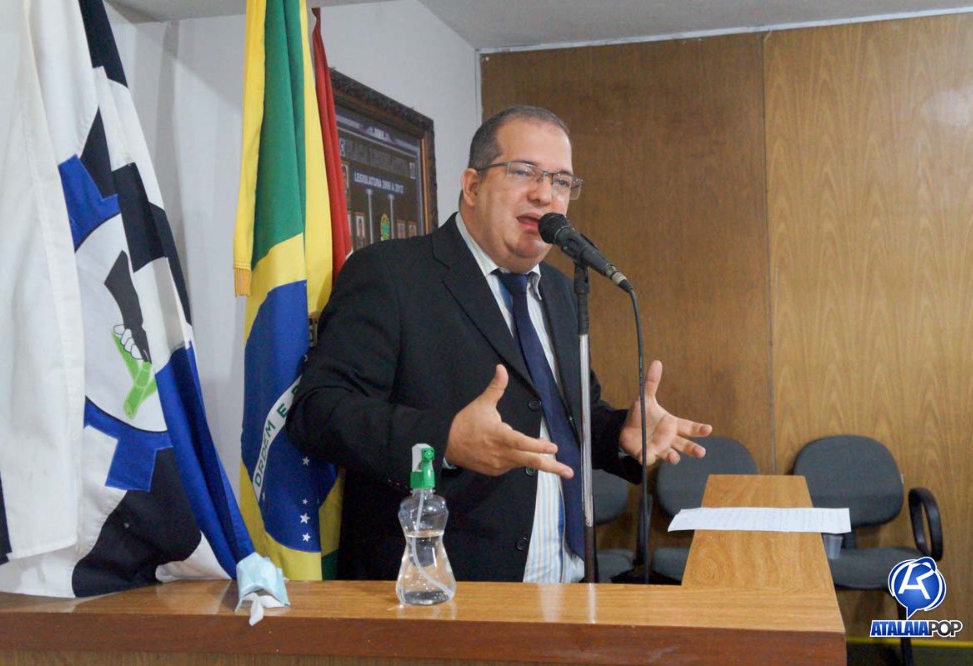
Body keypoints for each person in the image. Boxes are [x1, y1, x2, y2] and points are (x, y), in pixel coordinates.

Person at [287, 106, 711, 583]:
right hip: (446, 591)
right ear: (472, 186)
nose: (545, 193)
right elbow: (317, 413)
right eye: (524, 171)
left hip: (571, 583)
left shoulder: (559, 290)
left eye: (562, 181)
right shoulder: (390, 274)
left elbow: (566, 418)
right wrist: (445, 440)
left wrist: (619, 434)